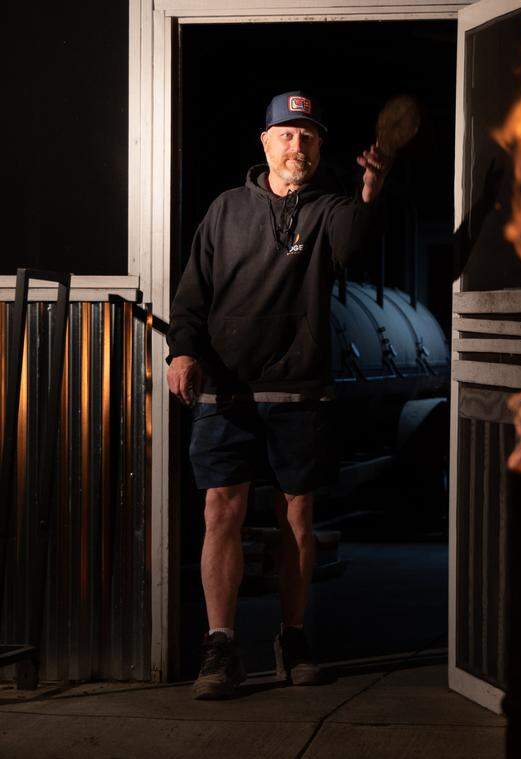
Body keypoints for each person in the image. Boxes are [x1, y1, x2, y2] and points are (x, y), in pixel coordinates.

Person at [166, 91, 391, 700]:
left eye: (309, 136)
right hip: (227, 388)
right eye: (288, 134)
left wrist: (370, 191)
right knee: (221, 511)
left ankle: (292, 637)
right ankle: (221, 644)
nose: (299, 145)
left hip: (299, 389)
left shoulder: (330, 208)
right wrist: (183, 351)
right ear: (264, 141)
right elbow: (192, 295)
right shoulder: (225, 210)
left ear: (320, 148)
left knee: (297, 516)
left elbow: (353, 246)